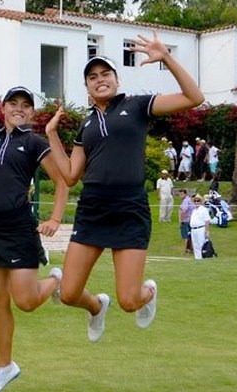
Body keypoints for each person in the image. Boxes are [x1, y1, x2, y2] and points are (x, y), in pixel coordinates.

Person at [48, 33, 203, 343]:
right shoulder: (86, 124)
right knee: (68, 293)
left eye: (105, 74)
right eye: (92, 77)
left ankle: (150, 292)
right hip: (92, 210)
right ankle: (96, 306)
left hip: (129, 209)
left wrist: (167, 58)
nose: (99, 80)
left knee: (130, 301)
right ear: (87, 87)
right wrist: (52, 135)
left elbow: (193, 97)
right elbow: (69, 175)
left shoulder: (137, 105)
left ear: (116, 80)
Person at [0, 28, 69, 392]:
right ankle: (4, 366)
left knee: (25, 302)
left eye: (26, 105)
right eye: (14, 103)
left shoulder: (34, 142)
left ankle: (55, 279)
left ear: (32, 112)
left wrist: (56, 219)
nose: (19, 109)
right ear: (4, 108)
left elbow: (62, 179)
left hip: (18, 230)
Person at [188, 194, 211, 259]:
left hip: (201, 229)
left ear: (201, 202)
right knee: (195, 245)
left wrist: (207, 231)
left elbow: (207, 221)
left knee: (201, 244)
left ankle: (202, 257)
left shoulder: (204, 210)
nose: (196, 202)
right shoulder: (194, 210)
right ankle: (197, 258)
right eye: (195, 201)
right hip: (193, 229)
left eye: (198, 201)